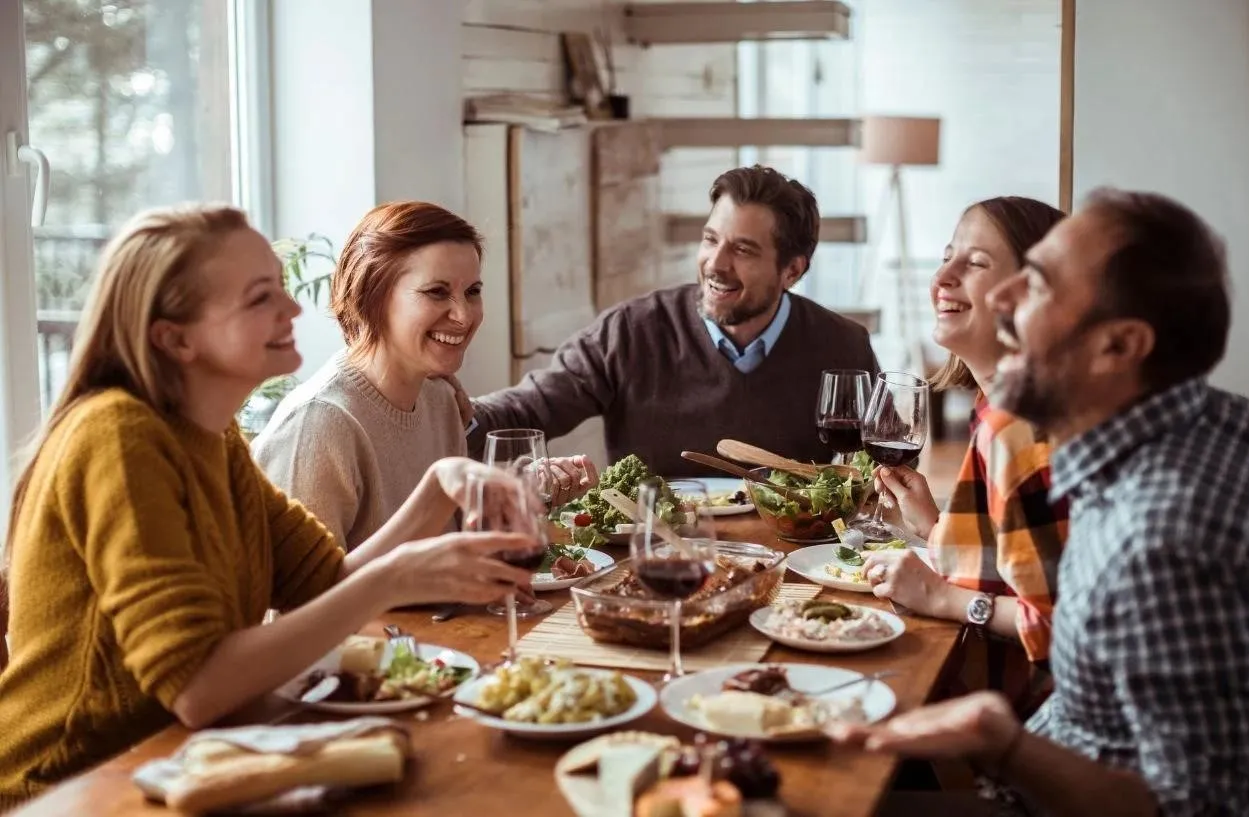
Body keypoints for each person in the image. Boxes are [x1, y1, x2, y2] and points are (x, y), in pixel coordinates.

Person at [0, 204, 541, 807]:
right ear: (176, 338)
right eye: (260, 299)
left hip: (186, 764)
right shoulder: (119, 437)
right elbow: (198, 688)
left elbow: (325, 582)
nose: (293, 310)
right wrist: (395, 575)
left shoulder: (211, 435)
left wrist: (436, 486)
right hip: (73, 788)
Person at [834, 189, 1249, 816]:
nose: (1001, 299)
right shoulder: (1242, 424)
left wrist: (1000, 746)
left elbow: (1201, 810)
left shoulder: (1162, 542)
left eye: (1040, 286)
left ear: (1120, 346)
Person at [466, 165, 881, 476]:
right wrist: (446, 409)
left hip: (792, 562)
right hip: (656, 557)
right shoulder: (631, 331)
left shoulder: (843, 345)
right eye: (710, 239)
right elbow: (527, 408)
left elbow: (888, 460)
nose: (715, 264)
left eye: (743, 250)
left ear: (791, 270)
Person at [252, 201, 594, 549]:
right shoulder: (318, 426)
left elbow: (448, 544)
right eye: (436, 292)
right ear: (372, 297)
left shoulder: (440, 400)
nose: (463, 315)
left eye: (472, 292)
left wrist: (521, 495)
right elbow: (302, 604)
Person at [862, 197, 1068, 713]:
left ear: (1033, 292)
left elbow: (1061, 631)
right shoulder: (996, 405)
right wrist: (935, 526)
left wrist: (939, 598)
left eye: (974, 263)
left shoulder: (1020, 427)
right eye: (947, 256)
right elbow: (1020, 571)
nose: (942, 277)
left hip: (1012, 732)